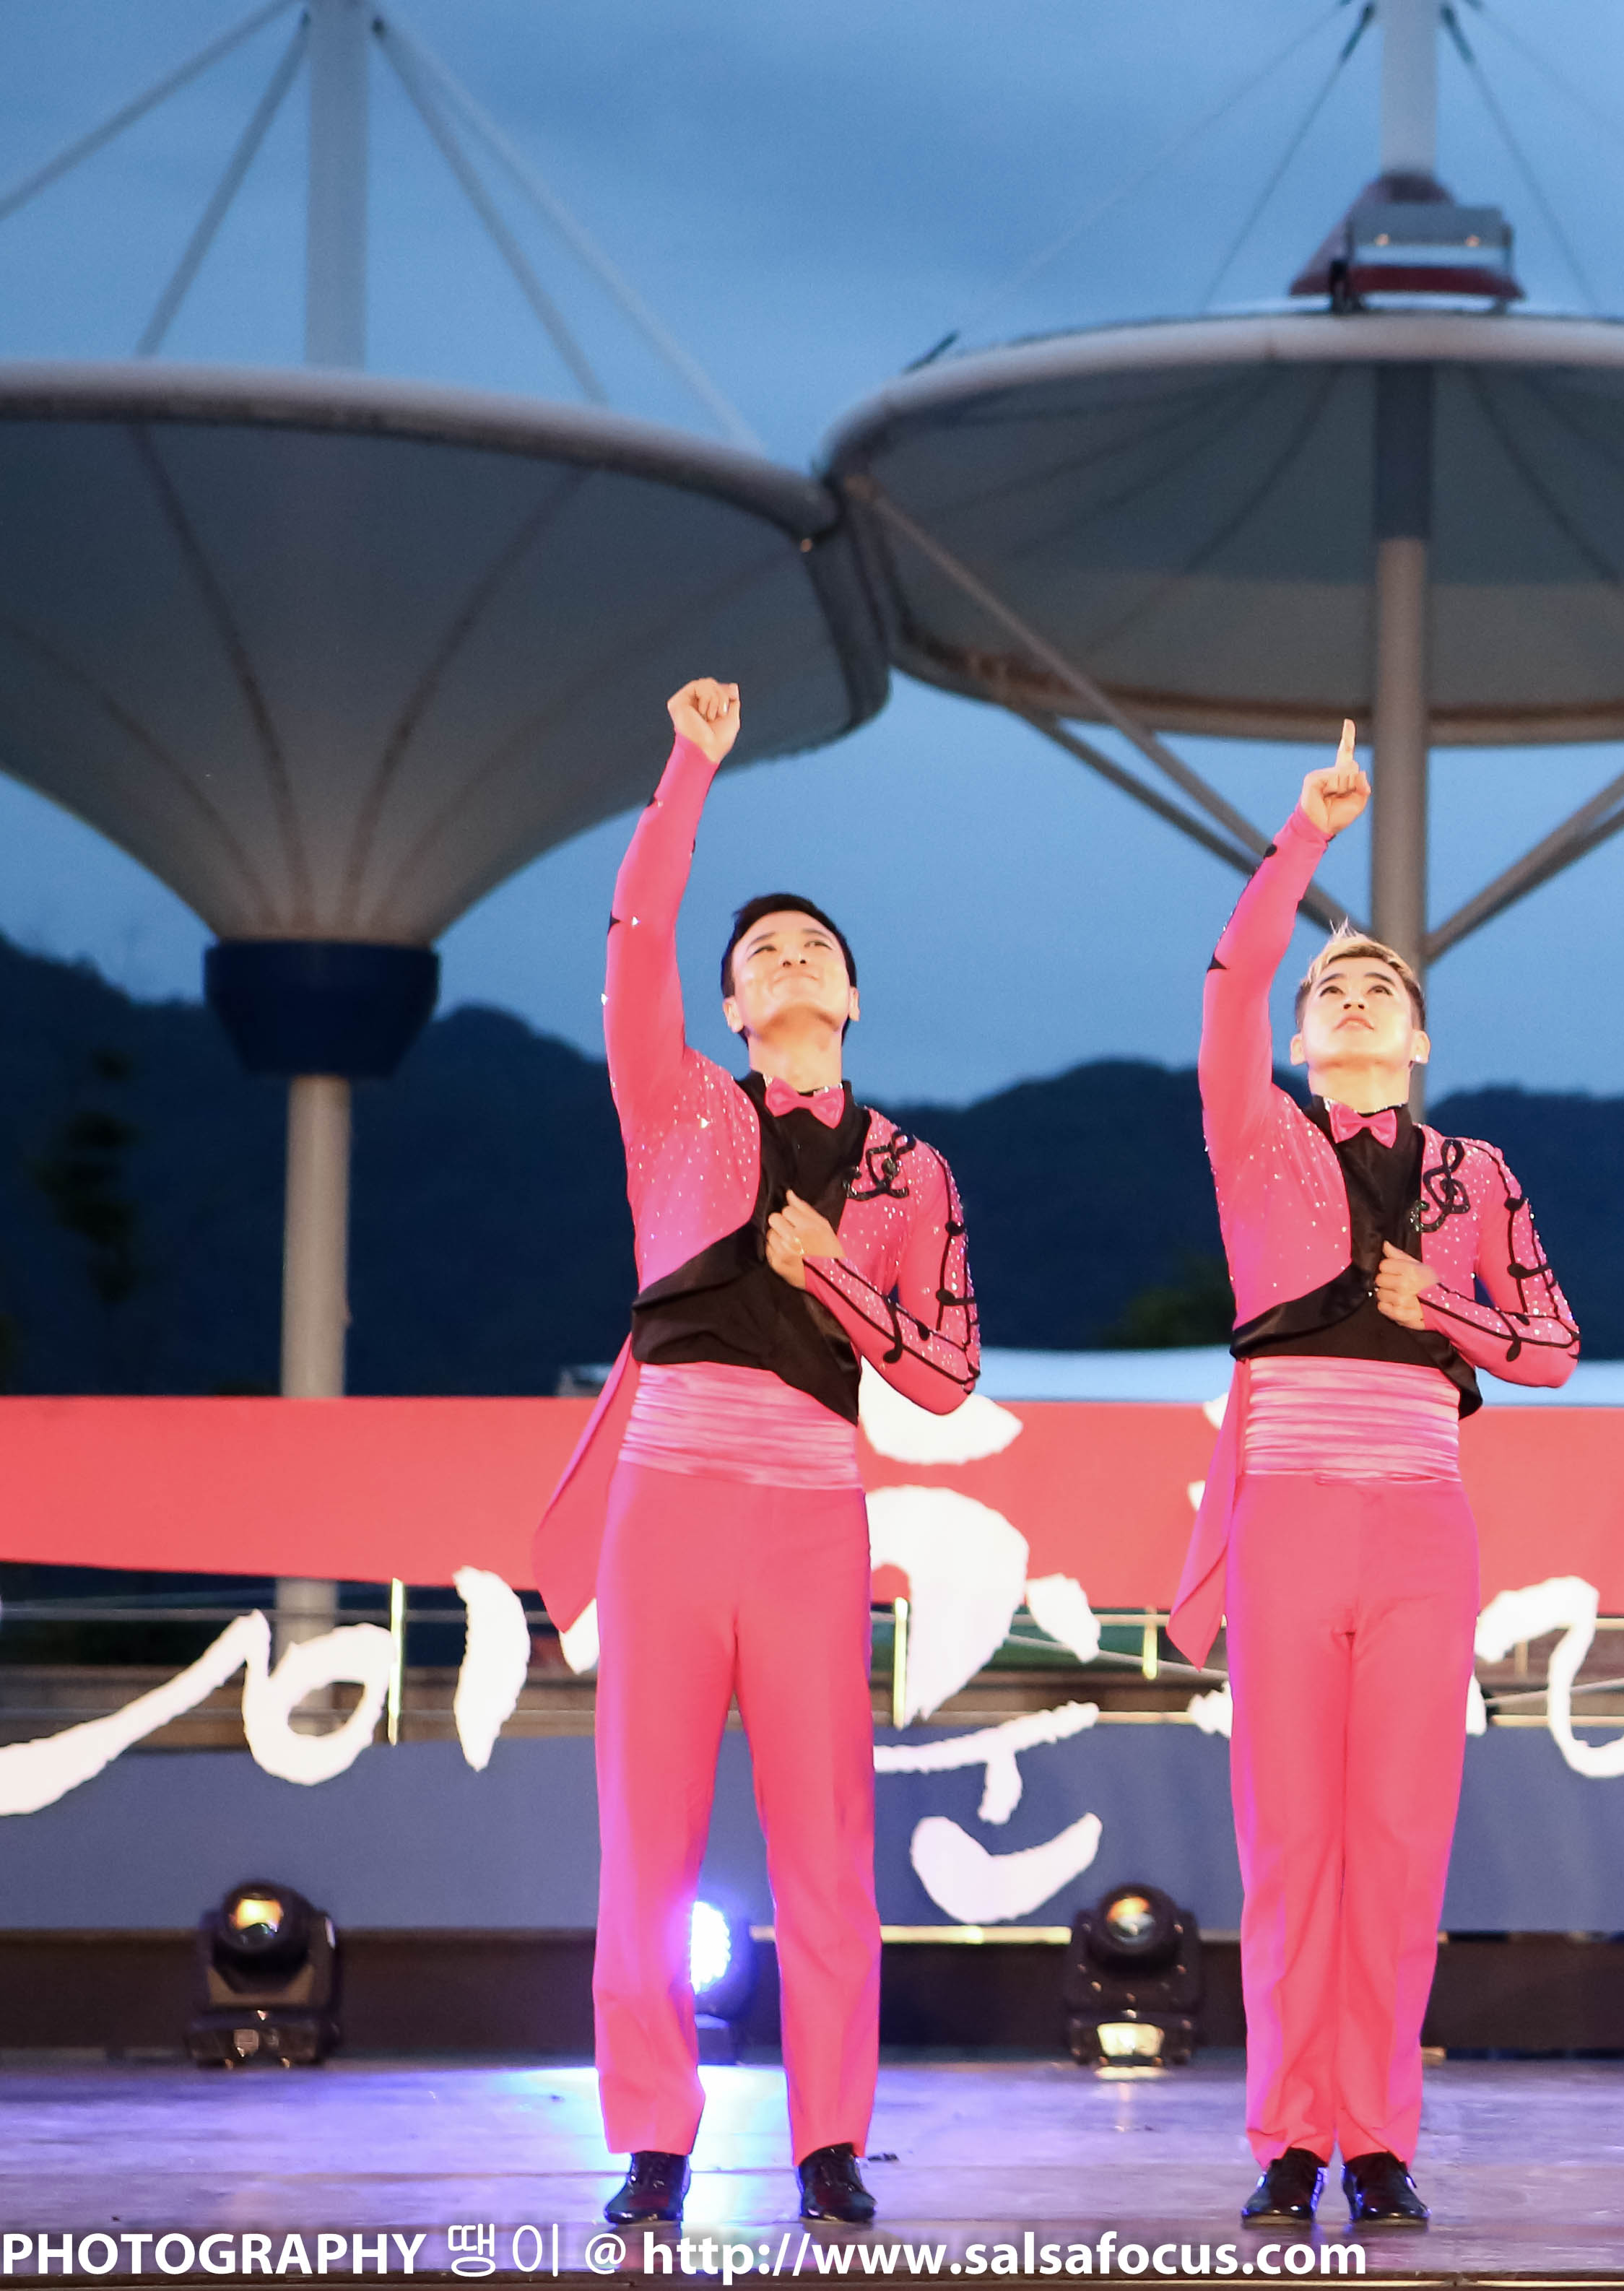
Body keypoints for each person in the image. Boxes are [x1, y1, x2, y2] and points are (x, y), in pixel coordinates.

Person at [533, 680, 983, 2229]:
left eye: (812, 949)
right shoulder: (673, 1107)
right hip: (666, 1499)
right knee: (645, 1847)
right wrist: (690, 767)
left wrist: (836, 1277)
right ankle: (653, 2142)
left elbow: (945, 1374)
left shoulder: (913, 1170)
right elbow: (635, 929)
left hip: (809, 1513)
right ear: (727, 1009)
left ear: (853, 996)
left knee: (828, 1848)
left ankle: (829, 2143)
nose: (788, 960)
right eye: (760, 955)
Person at [1168, 723, 1579, 2233]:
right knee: (1289, 1844)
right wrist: (1306, 839)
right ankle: (1289, 2137)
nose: (1348, 997)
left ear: (1418, 1041)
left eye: (1379, 989)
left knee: (1400, 1844)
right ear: (1296, 1040)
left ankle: (1381, 2137)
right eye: (1326, 990)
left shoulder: (1478, 1174)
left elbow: (1553, 1347)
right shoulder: (1257, 1138)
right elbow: (1228, 982)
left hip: (1420, 1515)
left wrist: (1444, 1308)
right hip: (1284, 1505)